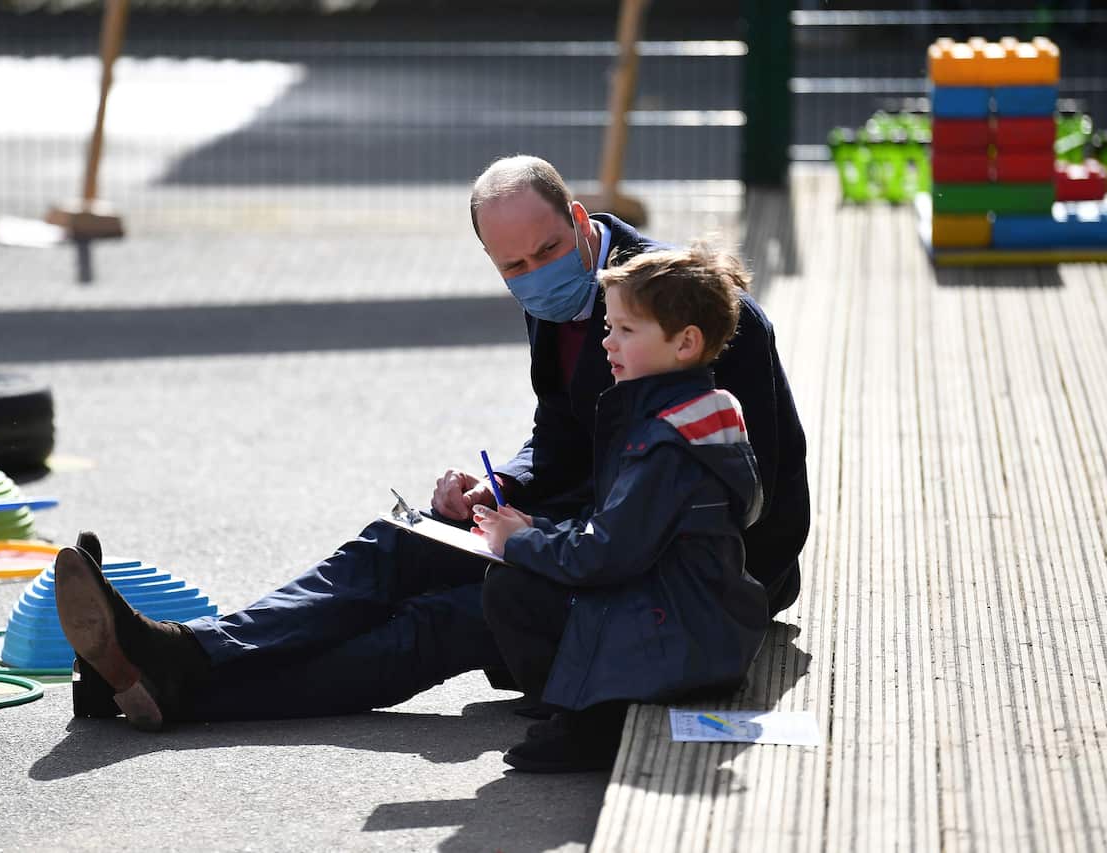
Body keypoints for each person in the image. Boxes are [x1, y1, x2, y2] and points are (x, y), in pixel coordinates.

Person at [52, 154, 808, 737]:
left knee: (443, 615)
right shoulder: (571, 299)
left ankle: (171, 678)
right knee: (398, 545)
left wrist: (545, 548)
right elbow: (563, 436)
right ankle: (172, 656)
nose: (533, 275)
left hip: (680, 583)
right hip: (604, 537)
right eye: (511, 267)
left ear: (580, 221)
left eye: (545, 251)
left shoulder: (699, 313)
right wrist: (502, 491)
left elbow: (753, 514)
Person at [474, 247, 767, 773]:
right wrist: (534, 528)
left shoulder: (666, 442)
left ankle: (591, 724)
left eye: (627, 331)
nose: (607, 342)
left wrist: (518, 542)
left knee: (513, 587)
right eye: (609, 327)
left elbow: (607, 553)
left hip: (682, 635)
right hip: (704, 619)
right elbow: (620, 530)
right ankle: (580, 701)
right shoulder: (693, 413)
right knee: (527, 570)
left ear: (685, 343)